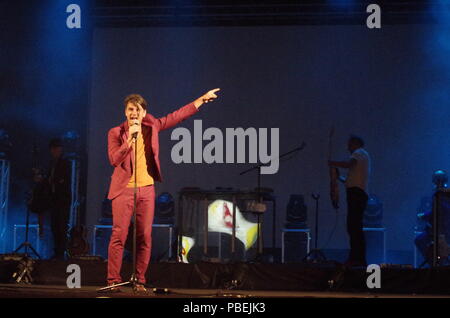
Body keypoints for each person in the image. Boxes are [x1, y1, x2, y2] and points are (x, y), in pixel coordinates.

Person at [105, 88, 220, 293]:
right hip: (124, 190)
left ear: (143, 113)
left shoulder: (153, 126)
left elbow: (177, 116)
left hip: (146, 190)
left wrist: (201, 100)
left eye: (138, 110)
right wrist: (129, 141)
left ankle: (139, 280)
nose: (134, 113)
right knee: (119, 236)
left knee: (144, 237)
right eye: (130, 109)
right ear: (125, 112)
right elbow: (114, 159)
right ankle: (113, 280)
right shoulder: (116, 133)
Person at [328, 135, 371, 267]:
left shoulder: (360, 153)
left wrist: (333, 163)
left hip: (357, 194)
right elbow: (349, 181)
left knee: (354, 227)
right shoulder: (361, 158)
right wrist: (338, 176)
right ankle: (356, 258)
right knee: (353, 227)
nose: (348, 148)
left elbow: (349, 164)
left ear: (355, 144)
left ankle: (357, 259)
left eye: (349, 145)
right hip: (355, 193)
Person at [47, 138, 72, 260]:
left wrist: (53, 181)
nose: (54, 151)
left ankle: (61, 252)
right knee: (54, 226)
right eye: (53, 149)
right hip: (54, 199)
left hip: (62, 199)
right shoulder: (52, 163)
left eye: (57, 149)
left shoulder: (64, 163)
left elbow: (62, 180)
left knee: (61, 225)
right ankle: (57, 251)